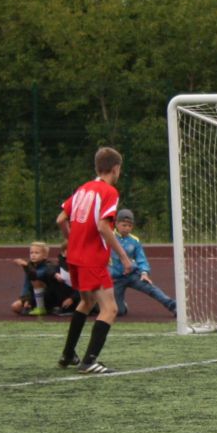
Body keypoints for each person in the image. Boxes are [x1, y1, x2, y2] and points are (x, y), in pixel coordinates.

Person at [55, 147, 136, 375]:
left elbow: (61, 218)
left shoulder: (83, 189)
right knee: (110, 309)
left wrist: (73, 240)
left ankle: (68, 354)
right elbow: (102, 226)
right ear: (116, 168)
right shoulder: (108, 191)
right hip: (92, 258)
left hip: (74, 256)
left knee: (87, 302)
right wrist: (122, 255)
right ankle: (90, 361)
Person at [109, 209, 177, 317]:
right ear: (116, 223)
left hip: (133, 275)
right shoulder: (108, 237)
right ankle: (121, 306)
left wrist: (144, 272)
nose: (127, 228)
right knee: (119, 312)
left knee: (151, 289)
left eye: (130, 226)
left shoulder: (134, 240)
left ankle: (173, 306)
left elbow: (142, 259)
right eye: (124, 225)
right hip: (116, 278)